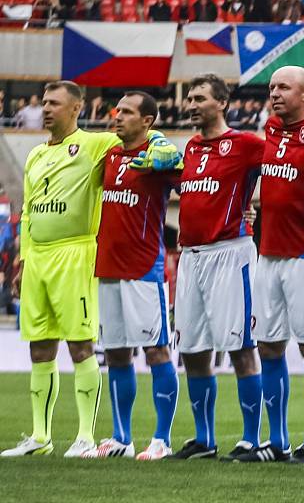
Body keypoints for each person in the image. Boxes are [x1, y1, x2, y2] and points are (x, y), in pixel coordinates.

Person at [1, 81, 179, 458]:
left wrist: (161, 140)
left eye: (54, 103)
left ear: (77, 108)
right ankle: (40, 437)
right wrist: (22, 258)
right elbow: (29, 209)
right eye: (44, 102)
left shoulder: (98, 144)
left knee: (85, 345)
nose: (46, 109)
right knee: (42, 346)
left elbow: (152, 139)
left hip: (79, 256)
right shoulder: (34, 155)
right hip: (39, 259)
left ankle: (87, 436)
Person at [243, 66, 304, 464]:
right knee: (268, 345)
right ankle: (277, 439)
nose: (275, 93)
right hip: (267, 255)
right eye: (272, 88)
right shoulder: (270, 130)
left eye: (283, 87)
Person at [169, 74, 264, 461]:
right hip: (190, 257)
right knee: (192, 350)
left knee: (240, 347)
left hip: (230, 253)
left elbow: (287, 167)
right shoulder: (189, 148)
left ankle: (251, 438)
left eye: (199, 99)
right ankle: (204, 439)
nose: (191, 105)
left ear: (222, 103)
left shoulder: (246, 145)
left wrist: (257, 207)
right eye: (189, 99)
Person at [83, 92, 180, 460]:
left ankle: (161, 439)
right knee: (117, 354)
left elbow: (196, 185)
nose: (117, 116)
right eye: (117, 110)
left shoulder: (161, 158)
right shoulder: (109, 156)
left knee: (156, 351)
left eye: (126, 112)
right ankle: (121, 438)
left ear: (148, 121)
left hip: (144, 270)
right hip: (107, 267)